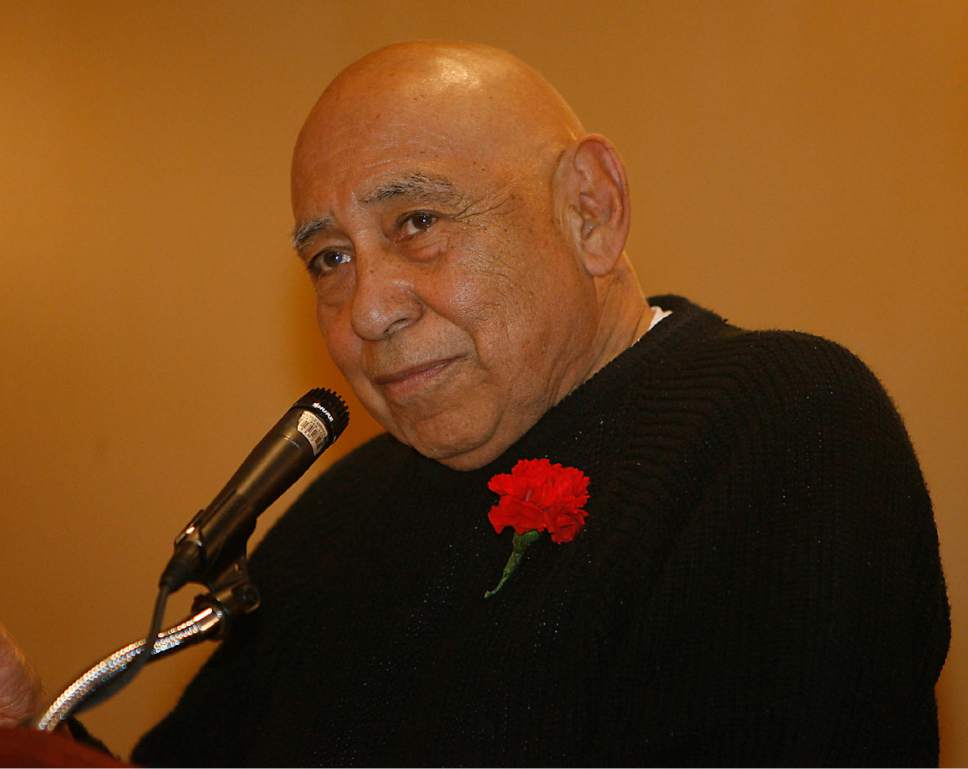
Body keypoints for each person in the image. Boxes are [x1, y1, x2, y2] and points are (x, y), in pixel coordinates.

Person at [0, 41, 949, 765]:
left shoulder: (783, 424)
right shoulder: (345, 505)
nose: (366, 309)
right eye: (330, 259)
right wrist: (32, 727)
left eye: (417, 222)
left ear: (591, 210)